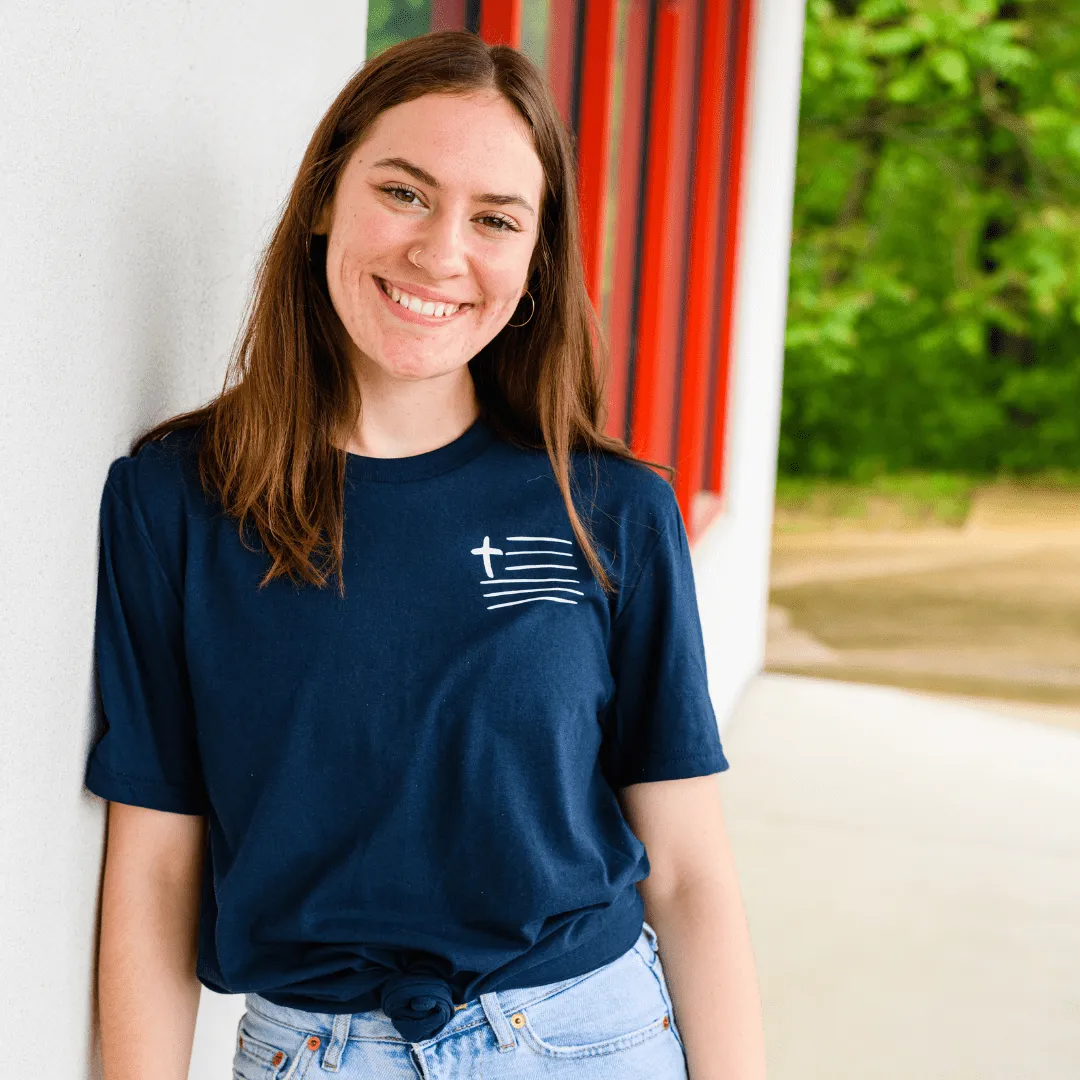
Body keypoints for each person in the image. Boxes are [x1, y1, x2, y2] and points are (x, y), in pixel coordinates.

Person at [85, 29, 766, 1080]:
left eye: (495, 219)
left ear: (534, 265)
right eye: (404, 193)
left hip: (592, 1039)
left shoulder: (611, 509)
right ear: (325, 197)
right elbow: (156, 870)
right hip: (313, 1054)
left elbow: (686, 874)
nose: (442, 253)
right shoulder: (176, 498)